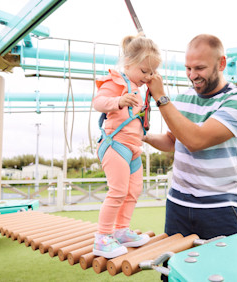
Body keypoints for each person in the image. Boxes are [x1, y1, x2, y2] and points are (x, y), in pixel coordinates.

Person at [144, 34, 237, 240]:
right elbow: (172, 141)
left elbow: (196, 141)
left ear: (221, 63)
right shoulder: (183, 98)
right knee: (174, 271)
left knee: (224, 271)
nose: (192, 75)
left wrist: (161, 98)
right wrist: (143, 136)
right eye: (188, 68)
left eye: (199, 68)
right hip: (177, 204)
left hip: (219, 207)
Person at [92, 34, 162, 259]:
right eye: (144, 71)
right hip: (115, 145)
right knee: (118, 191)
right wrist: (118, 102)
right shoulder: (116, 81)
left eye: (152, 72)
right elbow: (98, 102)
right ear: (129, 64)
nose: (148, 76)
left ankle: (121, 231)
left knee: (133, 191)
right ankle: (103, 237)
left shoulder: (139, 89)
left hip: (133, 148)